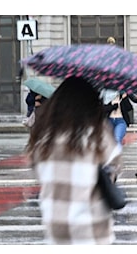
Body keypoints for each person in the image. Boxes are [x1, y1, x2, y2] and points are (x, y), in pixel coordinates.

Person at [25, 76, 122, 244]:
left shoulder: (45, 139)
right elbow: (113, 168)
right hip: (91, 230)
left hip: (56, 228)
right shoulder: (97, 134)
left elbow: (38, 171)